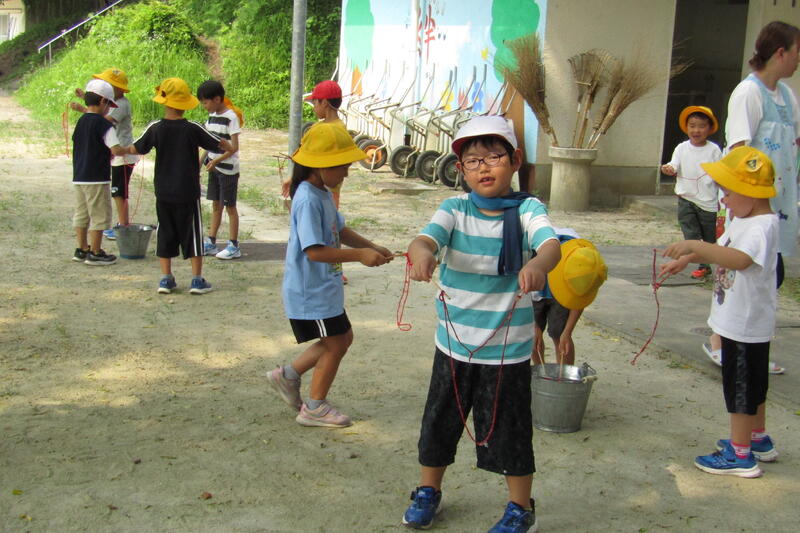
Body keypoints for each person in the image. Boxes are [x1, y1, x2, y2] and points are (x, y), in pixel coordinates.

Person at [401, 115, 561, 532]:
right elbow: (426, 239)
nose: (483, 167)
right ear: (461, 168)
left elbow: (549, 244)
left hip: (507, 351)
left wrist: (539, 264)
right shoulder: (454, 209)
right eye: (473, 161)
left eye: (494, 157)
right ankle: (428, 490)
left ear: (515, 161)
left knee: (510, 430)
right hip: (453, 345)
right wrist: (422, 253)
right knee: (439, 422)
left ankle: (520, 508)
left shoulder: (527, 209)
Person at [661, 146, 779, 478]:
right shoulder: (744, 220)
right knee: (752, 385)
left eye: (727, 192)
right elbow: (721, 250)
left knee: (741, 390)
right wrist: (687, 259)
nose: (723, 200)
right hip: (739, 323)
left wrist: (694, 244)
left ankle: (740, 455)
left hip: (745, 325)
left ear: (750, 193)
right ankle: (757, 438)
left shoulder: (761, 226)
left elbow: (739, 260)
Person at [266, 122, 394, 428]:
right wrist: (360, 256)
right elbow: (314, 251)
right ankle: (314, 407)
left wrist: (370, 246)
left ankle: (288, 375)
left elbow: (341, 230)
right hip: (310, 290)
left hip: (324, 287)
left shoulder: (321, 192)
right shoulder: (308, 199)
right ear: (321, 166)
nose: (346, 173)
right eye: (342, 166)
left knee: (341, 338)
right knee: (337, 343)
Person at [704, 20, 799, 373]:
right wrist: (737, 202)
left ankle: (744, 345)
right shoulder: (748, 93)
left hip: (779, 202)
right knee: (739, 274)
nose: (799, 60)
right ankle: (722, 343)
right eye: (797, 52)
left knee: (769, 274)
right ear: (780, 53)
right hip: (750, 203)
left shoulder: (787, 96)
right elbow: (739, 152)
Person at [128, 77, 233, 294]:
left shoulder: (155, 128)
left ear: (164, 102)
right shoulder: (192, 128)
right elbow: (219, 144)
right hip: (188, 192)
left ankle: (166, 279)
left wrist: (117, 149)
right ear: (185, 103)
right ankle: (196, 280)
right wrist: (229, 145)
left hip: (164, 191)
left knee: (165, 233)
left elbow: (136, 148)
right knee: (192, 234)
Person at [71, 68, 139, 241]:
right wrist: (87, 99)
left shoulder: (122, 104)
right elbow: (98, 113)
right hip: (114, 155)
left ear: (119, 89)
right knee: (115, 194)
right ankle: (99, 245)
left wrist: (83, 107)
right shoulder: (106, 106)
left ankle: (122, 225)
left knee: (119, 192)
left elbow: (102, 120)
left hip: (122, 156)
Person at [661, 106, 722, 279]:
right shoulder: (681, 148)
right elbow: (674, 165)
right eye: (692, 126)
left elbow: (721, 171)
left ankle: (711, 262)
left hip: (708, 201)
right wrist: (669, 169)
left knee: (709, 237)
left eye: (702, 126)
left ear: (709, 128)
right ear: (686, 127)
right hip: (686, 199)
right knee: (691, 235)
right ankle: (701, 265)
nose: (696, 130)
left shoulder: (714, 150)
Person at [532, 232, 607, 366]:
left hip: (559, 289)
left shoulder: (586, 263)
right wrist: (534, 325)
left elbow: (579, 299)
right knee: (532, 337)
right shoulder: (532, 250)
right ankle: (540, 372)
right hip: (531, 287)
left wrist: (567, 332)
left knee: (560, 334)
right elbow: (518, 290)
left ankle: (565, 375)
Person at [196, 80, 243, 260]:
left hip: (228, 170)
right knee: (216, 205)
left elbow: (234, 147)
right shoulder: (211, 117)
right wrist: (199, 164)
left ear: (216, 99)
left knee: (230, 207)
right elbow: (208, 145)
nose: (205, 106)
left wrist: (217, 161)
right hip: (214, 168)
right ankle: (211, 241)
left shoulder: (231, 117)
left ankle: (233, 245)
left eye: (205, 102)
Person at [281, 80, 345, 203]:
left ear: (324, 103)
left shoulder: (327, 131)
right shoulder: (338, 127)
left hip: (319, 194)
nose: (314, 107)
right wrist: (293, 178)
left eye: (315, 102)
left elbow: (314, 163)